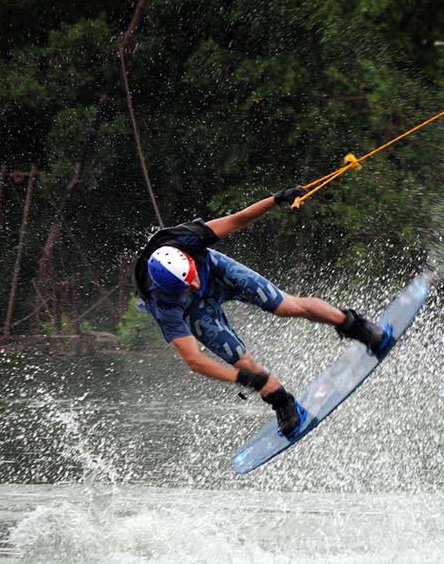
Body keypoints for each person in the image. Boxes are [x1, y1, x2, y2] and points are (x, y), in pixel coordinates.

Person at [133, 183, 395, 436]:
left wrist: (277, 199)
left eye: (192, 275)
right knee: (244, 362)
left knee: (286, 306)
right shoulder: (162, 303)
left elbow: (238, 219)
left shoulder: (185, 238)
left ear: (188, 257)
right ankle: (282, 402)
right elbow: (194, 360)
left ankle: (358, 328)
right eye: (187, 284)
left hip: (218, 271)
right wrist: (244, 378)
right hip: (194, 310)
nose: (195, 283)